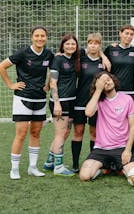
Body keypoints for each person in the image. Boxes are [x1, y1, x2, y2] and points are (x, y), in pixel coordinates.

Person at [0, 25, 54, 180]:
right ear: (32, 37)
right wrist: (10, 85)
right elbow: (1, 66)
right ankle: (14, 169)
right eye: (37, 36)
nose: (40, 38)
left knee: (35, 133)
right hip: (23, 98)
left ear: (46, 38)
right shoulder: (23, 53)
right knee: (21, 134)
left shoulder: (48, 54)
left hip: (40, 99)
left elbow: (56, 69)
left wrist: (48, 84)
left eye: (43, 36)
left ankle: (32, 167)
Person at [79, 72, 134, 185]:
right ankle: (104, 167)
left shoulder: (127, 99)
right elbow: (88, 113)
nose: (107, 82)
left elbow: (133, 127)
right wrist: (98, 90)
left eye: (108, 79)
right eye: (103, 82)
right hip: (101, 149)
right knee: (84, 176)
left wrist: (128, 150)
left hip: (121, 148)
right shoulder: (98, 101)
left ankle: (119, 167)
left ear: (113, 80)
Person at [42, 33, 79, 176]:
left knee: (66, 132)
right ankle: (58, 167)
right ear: (62, 45)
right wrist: (56, 103)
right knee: (60, 134)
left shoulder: (74, 59)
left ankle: (50, 162)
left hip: (71, 100)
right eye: (67, 44)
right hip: (60, 102)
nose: (70, 46)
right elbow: (53, 82)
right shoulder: (58, 59)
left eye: (73, 44)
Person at [70, 33, 106, 173]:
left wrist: (103, 56)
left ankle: (93, 162)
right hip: (80, 101)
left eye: (96, 43)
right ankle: (75, 164)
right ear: (87, 44)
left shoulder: (104, 63)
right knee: (78, 132)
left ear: (99, 45)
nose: (93, 45)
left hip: (97, 103)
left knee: (94, 133)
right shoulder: (81, 58)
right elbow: (68, 50)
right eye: (90, 43)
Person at [104, 24, 134, 159]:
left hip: (130, 93)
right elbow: (99, 55)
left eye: (131, 34)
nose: (129, 36)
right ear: (120, 33)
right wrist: (103, 55)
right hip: (113, 94)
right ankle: (112, 158)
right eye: (126, 33)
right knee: (114, 127)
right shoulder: (111, 49)